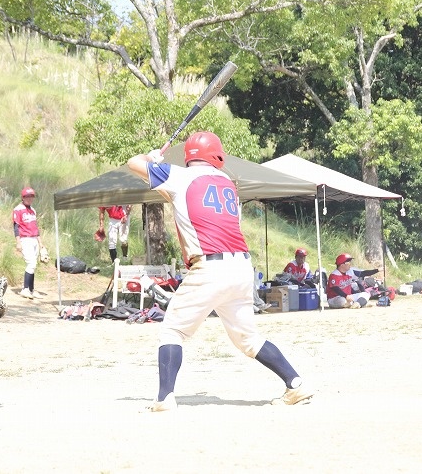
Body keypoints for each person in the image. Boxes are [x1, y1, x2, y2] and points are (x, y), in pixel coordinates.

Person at [127, 131, 313, 411]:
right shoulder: (227, 183)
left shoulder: (179, 175)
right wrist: (155, 173)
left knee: (173, 331)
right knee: (248, 339)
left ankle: (164, 398)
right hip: (240, 267)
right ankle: (295, 384)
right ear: (217, 156)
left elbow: (134, 163)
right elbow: (179, 201)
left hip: (210, 267)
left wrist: (151, 159)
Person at [13, 187, 45, 299]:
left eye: (31, 196)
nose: (30, 198)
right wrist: (18, 242)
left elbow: (35, 227)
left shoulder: (33, 210)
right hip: (25, 239)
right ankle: (25, 289)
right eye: (27, 196)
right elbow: (16, 226)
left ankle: (31, 290)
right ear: (23, 197)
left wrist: (40, 243)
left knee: (33, 265)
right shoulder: (18, 209)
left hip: (34, 239)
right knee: (31, 263)